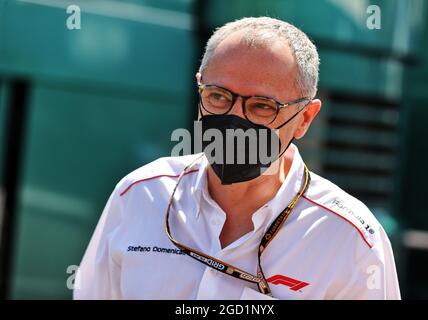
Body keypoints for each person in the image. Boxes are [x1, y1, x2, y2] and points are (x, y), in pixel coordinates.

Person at [74, 17, 401, 300]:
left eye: (261, 106)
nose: (233, 120)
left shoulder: (349, 237)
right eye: (218, 97)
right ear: (199, 89)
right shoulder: (139, 195)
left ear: (304, 118)